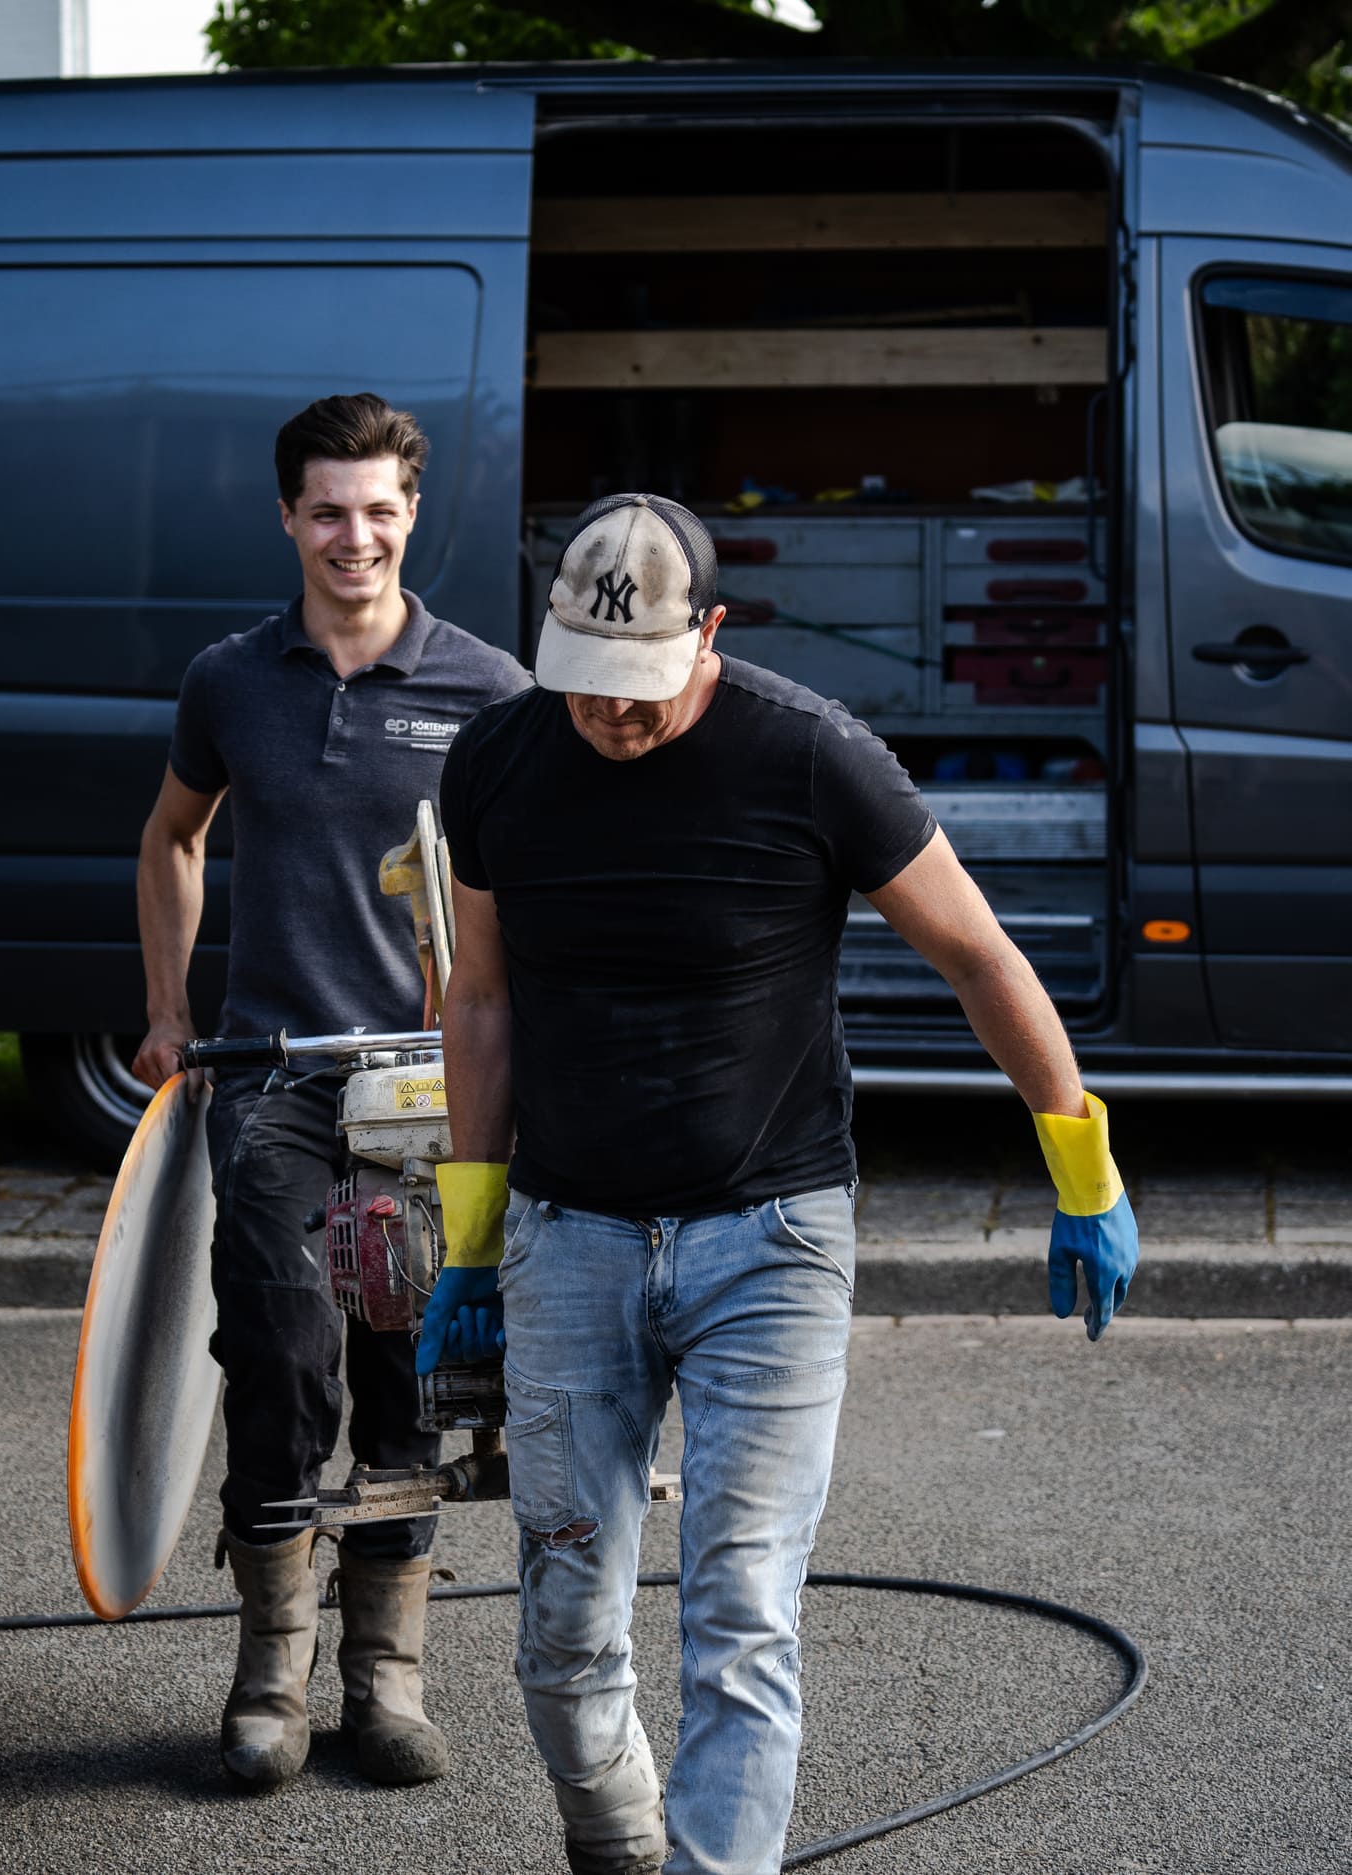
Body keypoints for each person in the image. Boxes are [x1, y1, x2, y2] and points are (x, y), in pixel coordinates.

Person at [418, 493, 1140, 1875]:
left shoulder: (811, 758)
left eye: (641, 693)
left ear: (713, 634)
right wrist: (468, 1237)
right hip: (569, 1231)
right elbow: (484, 1002)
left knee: (741, 1614)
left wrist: (1080, 1166)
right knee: (565, 1629)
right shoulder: (499, 761)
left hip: (773, 1234)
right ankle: (619, 1837)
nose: (612, 720)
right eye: (586, 688)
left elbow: (979, 958)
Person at [131, 393, 528, 1792]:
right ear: (287, 517)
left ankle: (387, 1680)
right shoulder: (229, 680)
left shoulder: (488, 690)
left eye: (377, 509)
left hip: (423, 1089)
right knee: (284, 1350)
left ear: (413, 511)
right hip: (276, 1077)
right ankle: (268, 1675)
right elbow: (174, 839)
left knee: (411, 1362)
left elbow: (531, 886)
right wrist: (173, 1013)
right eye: (325, 510)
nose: (352, 535)